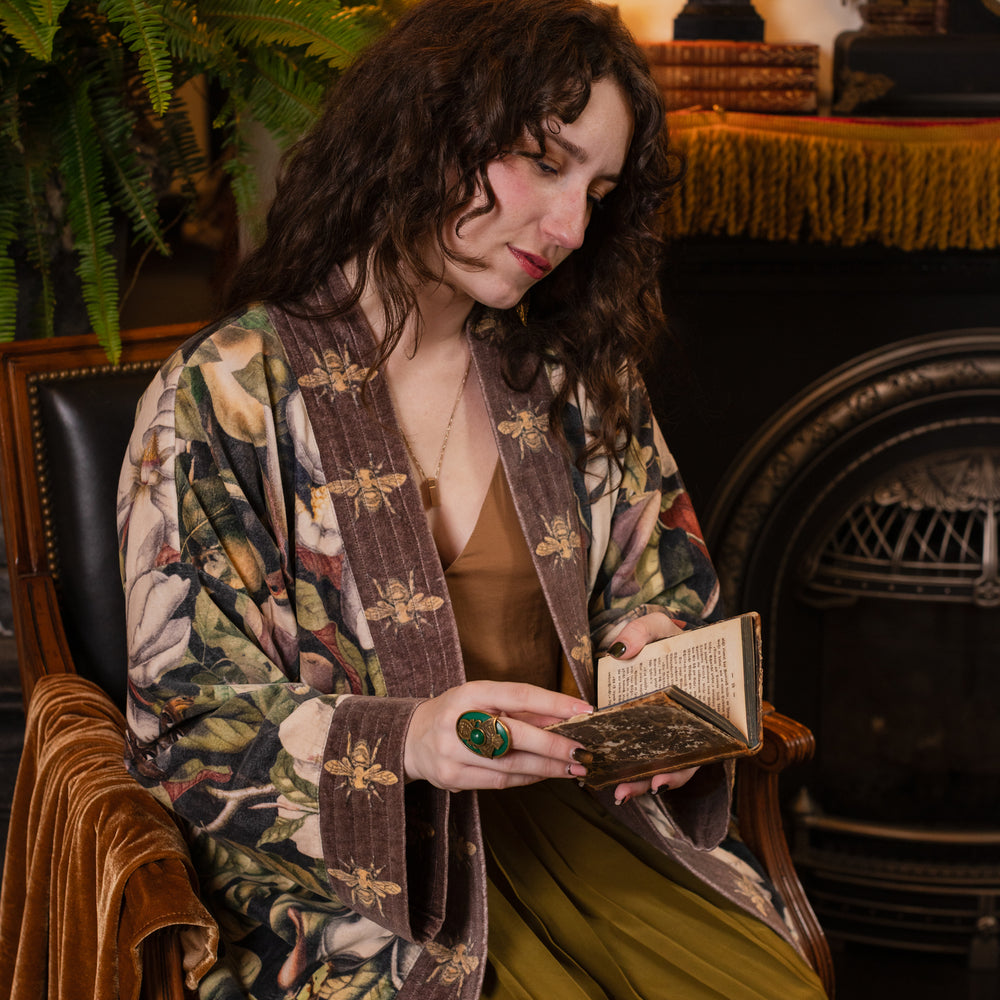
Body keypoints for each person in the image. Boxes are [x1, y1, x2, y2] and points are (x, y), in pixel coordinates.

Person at [117, 1, 828, 997]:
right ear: (427, 130)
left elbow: (668, 591)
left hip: (579, 824)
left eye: (598, 192)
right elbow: (185, 720)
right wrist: (411, 741)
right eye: (543, 162)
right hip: (357, 884)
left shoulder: (578, 380)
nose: (571, 227)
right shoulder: (222, 396)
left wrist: (659, 657)